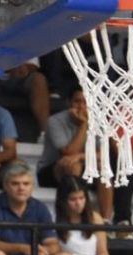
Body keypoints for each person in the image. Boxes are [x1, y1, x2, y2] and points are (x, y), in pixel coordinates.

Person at [37, 88, 113, 220]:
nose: (81, 106)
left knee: (103, 167)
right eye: (77, 101)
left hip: (83, 167)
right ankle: (78, 217)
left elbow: (103, 154)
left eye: (86, 102)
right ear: (69, 103)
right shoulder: (55, 121)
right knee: (73, 164)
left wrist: (80, 156)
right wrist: (84, 125)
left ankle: (105, 220)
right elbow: (68, 152)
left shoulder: (99, 123)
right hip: (51, 171)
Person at [0, 61, 50, 137]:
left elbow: (33, 66)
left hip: (22, 78)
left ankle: (45, 134)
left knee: (39, 79)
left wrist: (23, 67)